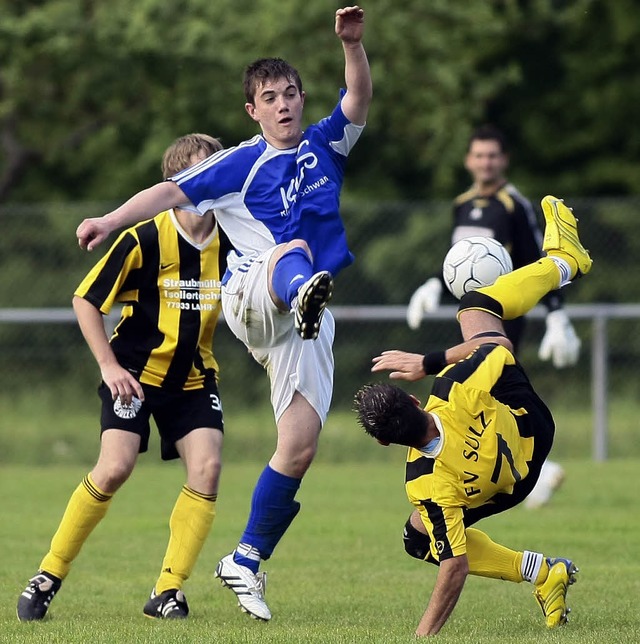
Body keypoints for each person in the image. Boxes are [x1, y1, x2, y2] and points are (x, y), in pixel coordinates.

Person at [75, 6, 372, 621]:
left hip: (305, 314)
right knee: (289, 252)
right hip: (255, 294)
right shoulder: (239, 161)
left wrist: (353, 45)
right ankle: (302, 288)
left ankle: (246, 558)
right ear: (253, 111)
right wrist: (108, 220)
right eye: (270, 97)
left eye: (292, 93)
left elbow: (360, 97)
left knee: (299, 446)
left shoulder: (326, 144)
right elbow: (167, 193)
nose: (285, 103)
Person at [354, 195, 592, 636]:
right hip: (529, 424)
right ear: (414, 401)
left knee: (418, 538)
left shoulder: (423, 482)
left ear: (386, 443)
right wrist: (427, 362)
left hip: (515, 483)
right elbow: (496, 348)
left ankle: (543, 573)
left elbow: (454, 566)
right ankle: (563, 262)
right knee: (477, 308)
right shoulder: (450, 389)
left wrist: (422, 635)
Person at [17, 133, 231, 621]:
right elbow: (85, 300)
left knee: (208, 469)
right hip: (133, 373)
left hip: (194, 379)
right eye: (203, 170)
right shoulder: (146, 237)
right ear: (176, 183)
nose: (214, 179)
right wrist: (109, 367)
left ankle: (167, 591)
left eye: (218, 169)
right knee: (114, 468)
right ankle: (49, 573)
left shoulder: (236, 237)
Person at [406, 124, 575, 508]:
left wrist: (556, 315)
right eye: (479, 155)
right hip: (468, 312)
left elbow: (537, 259)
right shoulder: (462, 203)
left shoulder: (514, 204)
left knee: (490, 389)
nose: (486, 162)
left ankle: (528, 465)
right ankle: (524, 464)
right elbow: (458, 259)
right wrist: (434, 283)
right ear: (469, 160)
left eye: (493, 155)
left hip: (502, 313)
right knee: (485, 395)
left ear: (504, 160)